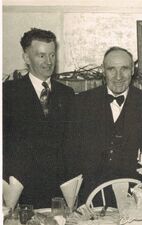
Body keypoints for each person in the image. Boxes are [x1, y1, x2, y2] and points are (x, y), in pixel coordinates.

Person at [66, 47, 142, 205]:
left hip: (136, 194)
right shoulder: (82, 102)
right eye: (111, 69)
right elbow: (70, 152)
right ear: (103, 71)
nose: (118, 76)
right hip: (90, 195)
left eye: (124, 69)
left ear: (132, 70)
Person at [3, 28, 75, 208]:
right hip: (19, 193)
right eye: (41, 56)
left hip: (58, 193)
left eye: (52, 55)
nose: (49, 62)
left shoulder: (67, 94)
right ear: (26, 58)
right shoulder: (8, 93)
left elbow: (72, 143)